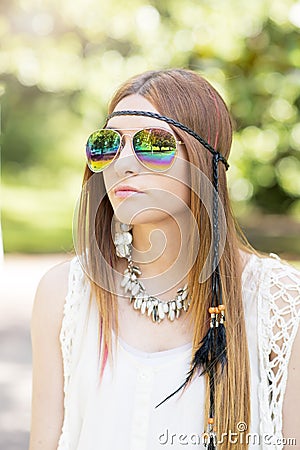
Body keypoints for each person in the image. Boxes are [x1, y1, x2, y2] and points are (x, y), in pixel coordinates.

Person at [28, 69, 300, 450]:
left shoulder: (278, 303)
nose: (122, 163)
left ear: (205, 162)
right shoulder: (64, 295)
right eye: (108, 144)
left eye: (152, 144)